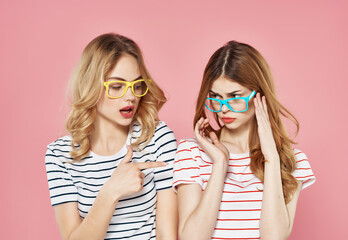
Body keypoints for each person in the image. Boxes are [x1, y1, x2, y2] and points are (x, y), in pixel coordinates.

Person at [173, 41, 315, 240]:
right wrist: (220, 164)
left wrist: (272, 159)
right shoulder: (192, 152)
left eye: (235, 96)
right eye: (215, 96)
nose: (223, 108)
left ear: (260, 95)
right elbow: (191, 238)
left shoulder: (290, 159)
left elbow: (274, 237)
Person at [45, 33, 177, 240]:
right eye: (117, 86)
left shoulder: (157, 138)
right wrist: (110, 192)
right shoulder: (60, 155)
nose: (130, 96)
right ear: (91, 86)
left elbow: (167, 234)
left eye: (137, 85)